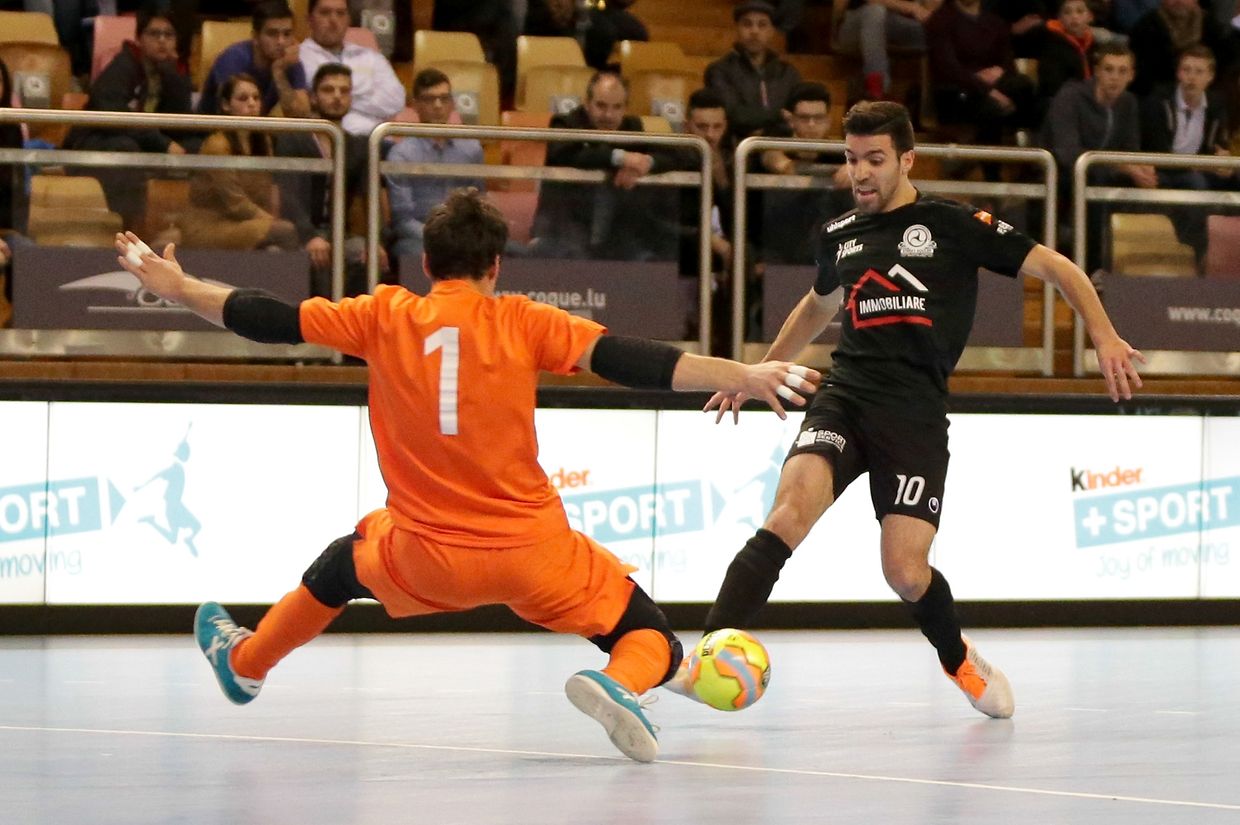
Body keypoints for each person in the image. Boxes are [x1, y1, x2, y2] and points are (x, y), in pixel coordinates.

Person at [111, 188, 822, 764]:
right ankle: (618, 682)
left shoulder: (383, 314)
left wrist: (180, 286)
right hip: (536, 554)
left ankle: (248, 663)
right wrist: (744, 374)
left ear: (426, 263)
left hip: (425, 557)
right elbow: (636, 360)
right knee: (653, 638)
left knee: (340, 565)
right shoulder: (524, 320)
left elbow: (268, 318)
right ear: (496, 266)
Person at [665, 101, 1145, 720]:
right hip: (844, 397)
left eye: (875, 159)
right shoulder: (839, 233)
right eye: (851, 159)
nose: (860, 173)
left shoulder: (952, 223)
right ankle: (703, 657)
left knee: (905, 571)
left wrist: (1104, 336)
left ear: (907, 160)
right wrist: (754, 373)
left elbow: (1057, 267)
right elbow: (817, 306)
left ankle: (959, 658)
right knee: (787, 515)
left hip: (913, 414)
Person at [65, 4, 197, 225]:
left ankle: (188, 224)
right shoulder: (124, 65)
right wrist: (162, 143)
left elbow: (181, 120)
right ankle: (130, 225)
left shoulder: (171, 69)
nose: (162, 40)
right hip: (96, 140)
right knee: (125, 148)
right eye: (154, 34)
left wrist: (173, 75)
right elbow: (112, 114)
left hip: (142, 141)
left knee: (200, 146)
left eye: (169, 35)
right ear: (139, 38)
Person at [530, 71, 679, 260]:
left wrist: (646, 163)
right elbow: (566, 153)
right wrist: (620, 157)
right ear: (587, 103)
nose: (608, 115)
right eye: (601, 106)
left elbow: (674, 156)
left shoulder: (632, 127)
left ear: (626, 108)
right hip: (563, 230)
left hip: (615, 236)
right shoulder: (566, 123)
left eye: (617, 107)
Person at [1041, 43, 1155, 270]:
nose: (1115, 77)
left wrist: (1141, 167)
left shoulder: (1128, 103)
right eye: (1109, 69)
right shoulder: (1070, 96)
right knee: (1095, 183)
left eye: (1122, 71)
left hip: (1104, 173)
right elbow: (1067, 153)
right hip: (1060, 174)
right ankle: (1090, 268)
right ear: (1096, 72)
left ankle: (1134, 265)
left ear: (1131, 76)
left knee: (1153, 183)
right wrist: (1122, 167)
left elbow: (1130, 149)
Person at [275, 63, 381, 297]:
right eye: (328, 90)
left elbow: (367, 200)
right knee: (320, 255)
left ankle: (355, 319)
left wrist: (374, 241)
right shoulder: (294, 139)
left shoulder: (358, 145)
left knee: (365, 254)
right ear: (313, 97)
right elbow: (287, 196)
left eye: (344, 91)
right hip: (298, 232)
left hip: (340, 234)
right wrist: (310, 236)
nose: (337, 97)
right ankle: (322, 320)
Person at [179, 74, 299, 251]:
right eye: (243, 98)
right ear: (226, 105)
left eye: (256, 98)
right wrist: (271, 221)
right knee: (285, 231)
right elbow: (235, 203)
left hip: (248, 222)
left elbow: (265, 190)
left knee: (279, 239)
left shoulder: (264, 141)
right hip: (210, 227)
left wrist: (270, 218)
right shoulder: (217, 145)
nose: (252, 103)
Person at [386, 68, 485, 275]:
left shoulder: (472, 149)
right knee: (414, 252)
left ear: (452, 103)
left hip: (465, 237)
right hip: (421, 238)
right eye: (429, 99)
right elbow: (403, 221)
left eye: (444, 98)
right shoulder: (401, 154)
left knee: (515, 252)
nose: (438, 105)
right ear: (415, 105)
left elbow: (480, 202)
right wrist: (442, 241)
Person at [925, 0, 1038, 150]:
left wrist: (1000, 70)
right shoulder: (940, 20)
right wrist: (988, 90)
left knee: (1024, 85)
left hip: (992, 85)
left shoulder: (994, 21)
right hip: (957, 91)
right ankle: (988, 163)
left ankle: (1027, 152)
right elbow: (948, 69)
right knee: (991, 108)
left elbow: (1007, 59)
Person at [298, 0, 406, 136]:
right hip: (325, 139)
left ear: (348, 19)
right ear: (309, 19)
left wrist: (342, 97)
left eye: (340, 13)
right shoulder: (300, 58)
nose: (333, 20)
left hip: (376, 139)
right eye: (325, 13)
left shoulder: (370, 56)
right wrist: (366, 92)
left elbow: (396, 101)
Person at [704, 0, 802, 142]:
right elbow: (733, 115)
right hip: (736, 147)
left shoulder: (788, 73)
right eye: (747, 24)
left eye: (762, 25)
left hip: (783, 146)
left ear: (772, 31)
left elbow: (795, 119)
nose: (754, 31)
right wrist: (777, 115)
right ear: (737, 29)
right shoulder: (719, 71)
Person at [198, 0, 310, 118]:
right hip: (211, 127)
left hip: (256, 126)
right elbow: (239, 114)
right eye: (272, 34)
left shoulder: (289, 62)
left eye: (287, 34)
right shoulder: (233, 59)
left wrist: (279, 73)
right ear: (255, 37)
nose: (281, 42)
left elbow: (301, 116)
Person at [835, 0, 941, 101]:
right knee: (875, 12)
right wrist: (912, 7)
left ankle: (938, 99)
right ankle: (877, 91)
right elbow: (873, 1)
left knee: (937, 29)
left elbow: (931, 12)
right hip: (855, 25)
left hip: (894, 24)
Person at [1036, 0, 1097, 115]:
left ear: (1090, 17)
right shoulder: (1052, 44)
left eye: (1080, 11)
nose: (1074, 17)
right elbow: (1053, 86)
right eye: (1067, 12)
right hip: (1058, 102)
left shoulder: (1093, 44)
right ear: (1060, 18)